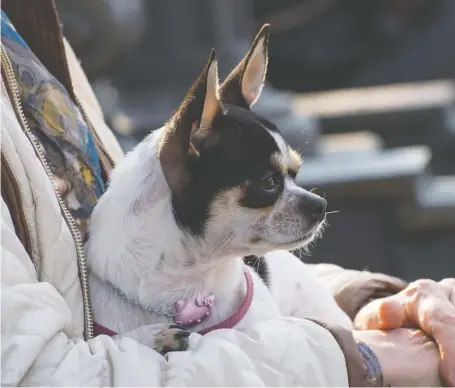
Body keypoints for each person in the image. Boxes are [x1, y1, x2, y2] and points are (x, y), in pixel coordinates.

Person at [1, 1, 453, 386]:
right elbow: (42, 375)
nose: (308, 202)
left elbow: (208, 268)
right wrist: (357, 360)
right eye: (268, 186)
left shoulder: (26, 26)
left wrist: (364, 302)